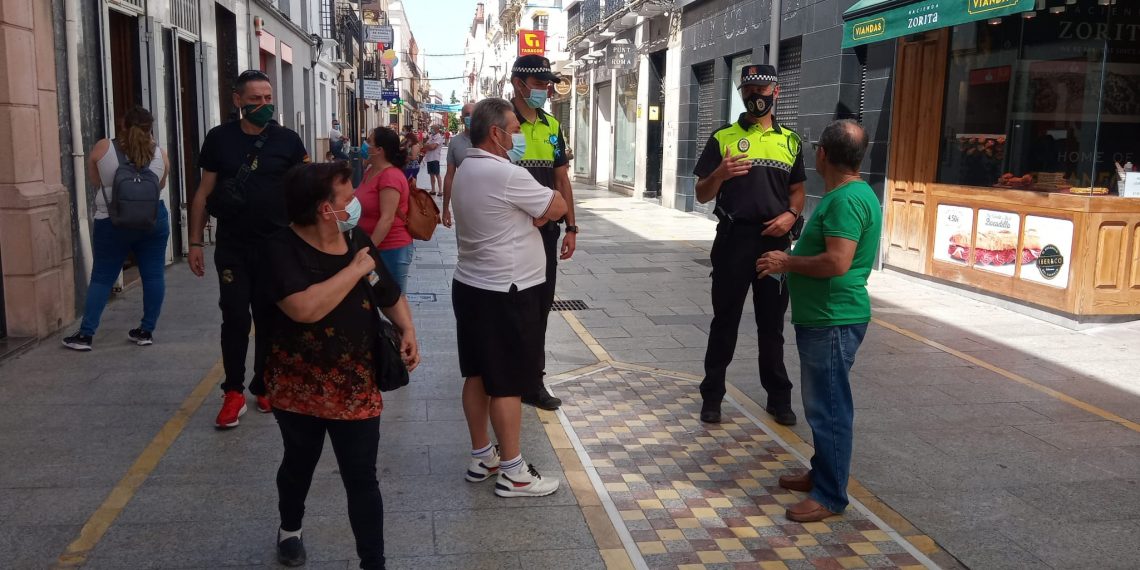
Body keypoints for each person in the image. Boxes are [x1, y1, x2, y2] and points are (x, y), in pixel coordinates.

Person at [261, 161, 420, 568]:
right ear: (322, 208)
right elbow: (303, 308)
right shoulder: (279, 248)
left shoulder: (354, 237)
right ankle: (290, 528)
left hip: (355, 382)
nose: (355, 207)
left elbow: (386, 289)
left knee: (361, 477)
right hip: (299, 384)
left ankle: (373, 562)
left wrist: (407, 329)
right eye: (347, 199)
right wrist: (353, 271)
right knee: (299, 463)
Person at [756, 120, 881, 523]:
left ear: (821, 154)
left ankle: (830, 496)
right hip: (829, 317)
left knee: (829, 409)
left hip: (832, 319)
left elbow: (837, 261)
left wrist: (785, 261)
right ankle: (821, 473)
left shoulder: (845, 200)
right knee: (822, 405)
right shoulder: (856, 193)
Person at [451, 98, 568, 497]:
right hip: (508, 290)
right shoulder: (505, 174)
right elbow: (559, 204)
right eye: (515, 130)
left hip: (471, 285)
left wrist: (536, 212)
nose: (519, 136)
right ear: (496, 134)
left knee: (478, 374)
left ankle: (482, 454)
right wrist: (541, 212)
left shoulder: (467, 166)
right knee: (507, 382)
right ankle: (514, 471)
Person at [188, 69, 310, 429]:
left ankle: (264, 382)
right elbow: (202, 194)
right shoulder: (219, 140)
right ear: (237, 100)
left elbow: (304, 191)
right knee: (236, 318)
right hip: (233, 248)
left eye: (268, 98)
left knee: (271, 318)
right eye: (255, 99)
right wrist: (194, 241)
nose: (263, 105)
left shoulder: (288, 141)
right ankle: (234, 391)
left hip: (277, 248)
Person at [693, 64, 805, 427]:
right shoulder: (722, 137)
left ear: (777, 91)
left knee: (771, 324)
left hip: (774, 244)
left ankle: (778, 398)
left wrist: (791, 215)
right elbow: (701, 193)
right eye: (750, 90)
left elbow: (798, 191)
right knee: (724, 320)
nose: (757, 96)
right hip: (733, 240)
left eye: (764, 89)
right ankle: (712, 396)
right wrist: (719, 174)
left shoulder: (791, 141)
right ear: (742, 93)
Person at [62, 106, 171, 351]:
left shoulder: (104, 147)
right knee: (153, 274)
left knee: (102, 276)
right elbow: (160, 186)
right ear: (150, 128)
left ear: (122, 125)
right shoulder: (160, 154)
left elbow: (95, 182)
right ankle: (146, 331)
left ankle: (86, 335)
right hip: (153, 221)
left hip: (112, 221)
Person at [508, 55, 578, 411]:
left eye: (547, 85)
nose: (546, 90)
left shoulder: (552, 126)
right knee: (509, 304)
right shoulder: (502, 124)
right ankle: (506, 374)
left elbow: (561, 178)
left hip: (545, 232)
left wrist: (571, 227)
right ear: (519, 84)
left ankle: (533, 381)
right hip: (507, 233)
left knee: (540, 304)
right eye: (539, 85)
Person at [356, 127, 414, 292]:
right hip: (373, 246)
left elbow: (387, 218)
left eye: (369, 142)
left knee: (394, 300)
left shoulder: (390, 176)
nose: (365, 145)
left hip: (391, 249)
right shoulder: (371, 171)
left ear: (379, 150)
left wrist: (369, 251)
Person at [442, 103, 476, 228]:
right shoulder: (455, 142)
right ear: (462, 119)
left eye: (474, 114)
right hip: (463, 202)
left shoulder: (490, 139)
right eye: (467, 115)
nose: (471, 117)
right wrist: (445, 208)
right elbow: (449, 176)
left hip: (487, 202)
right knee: (463, 243)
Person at [423, 125, 445, 195]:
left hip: (435, 158)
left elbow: (433, 147)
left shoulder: (439, 137)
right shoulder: (431, 136)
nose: (431, 130)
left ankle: (440, 190)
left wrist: (428, 146)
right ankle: (433, 190)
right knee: (431, 175)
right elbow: (425, 145)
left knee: (437, 174)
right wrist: (428, 146)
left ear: (437, 129)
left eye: (432, 128)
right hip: (429, 158)